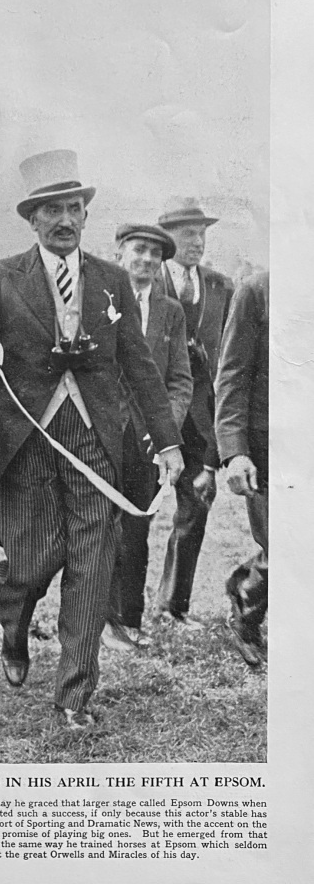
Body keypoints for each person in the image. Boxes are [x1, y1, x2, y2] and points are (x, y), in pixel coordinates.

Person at [0, 149, 184, 731]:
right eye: (53, 210)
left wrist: (168, 443)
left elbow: (142, 370)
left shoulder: (112, 280)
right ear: (33, 219)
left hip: (97, 442)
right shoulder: (0, 278)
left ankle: (75, 695)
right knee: (31, 561)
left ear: (85, 215)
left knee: (93, 566)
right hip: (29, 439)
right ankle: (14, 613)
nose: (66, 219)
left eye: (74, 208)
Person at [103, 223, 193, 651]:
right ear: (119, 253)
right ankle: (97, 617)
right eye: (138, 250)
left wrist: (162, 434)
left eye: (155, 255)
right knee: (96, 525)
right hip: (101, 431)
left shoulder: (170, 311)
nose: (147, 260)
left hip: (147, 439)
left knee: (137, 527)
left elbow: (179, 381)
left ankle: (128, 618)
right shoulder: (98, 298)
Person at [154, 196, 233, 629]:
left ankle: (172, 606)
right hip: (152, 416)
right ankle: (118, 613)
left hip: (201, 423)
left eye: (202, 233)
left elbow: (230, 362)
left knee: (195, 510)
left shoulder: (221, 287)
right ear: (167, 238)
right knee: (129, 517)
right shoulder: (145, 282)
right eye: (188, 233)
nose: (197, 241)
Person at [215, 270, 269, 667]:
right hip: (272, 443)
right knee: (284, 546)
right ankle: (246, 607)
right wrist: (235, 452)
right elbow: (232, 374)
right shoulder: (257, 290)